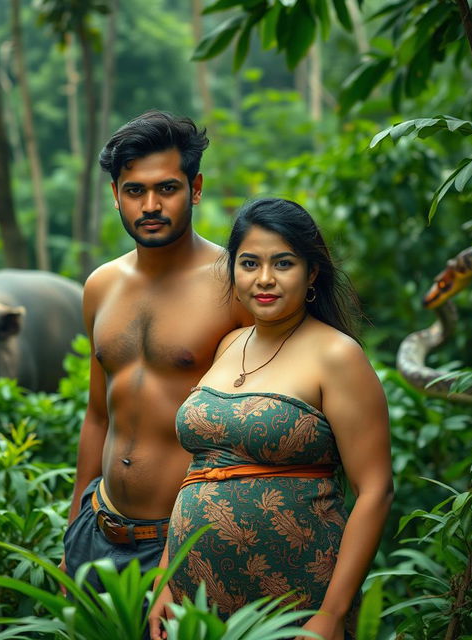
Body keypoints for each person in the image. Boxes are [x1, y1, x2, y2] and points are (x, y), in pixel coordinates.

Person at [149, 197, 393, 640]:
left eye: (283, 263)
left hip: (298, 600)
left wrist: (332, 614)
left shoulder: (337, 355)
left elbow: (375, 491)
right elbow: (200, 473)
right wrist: (165, 579)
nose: (264, 279)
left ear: (311, 272)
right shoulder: (229, 344)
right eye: (249, 263)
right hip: (196, 599)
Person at [62, 111, 250, 595]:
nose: (150, 205)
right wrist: (72, 531)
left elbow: (244, 436)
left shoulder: (234, 286)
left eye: (167, 189)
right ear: (116, 195)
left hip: (184, 542)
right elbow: (98, 415)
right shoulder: (101, 286)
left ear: (196, 187)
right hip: (98, 528)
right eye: (134, 191)